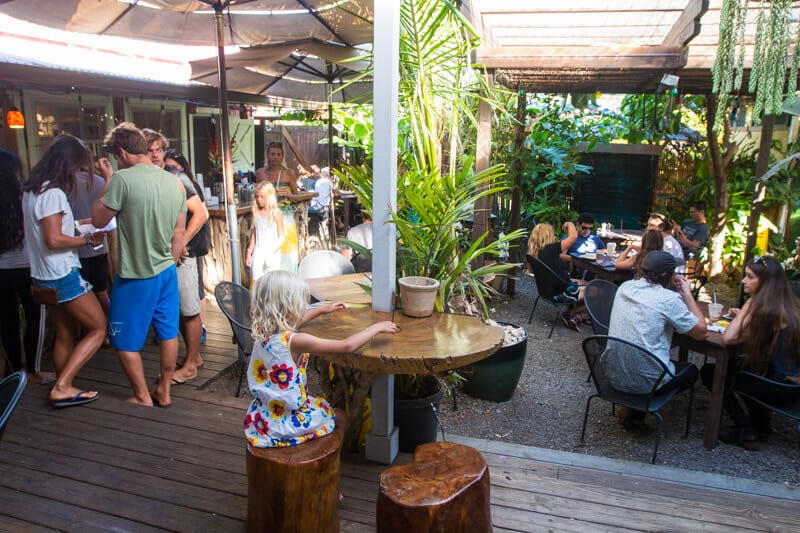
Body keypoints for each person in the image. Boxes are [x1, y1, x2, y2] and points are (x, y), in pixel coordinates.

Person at [243, 270, 398, 447]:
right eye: (303, 302)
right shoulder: (296, 341)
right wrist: (376, 328)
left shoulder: (265, 334)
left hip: (265, 416)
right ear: (289, 307)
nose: (306, 306)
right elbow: (347, 346)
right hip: (287, 422)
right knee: (340, 416)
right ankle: (332, 456)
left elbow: (293, 325)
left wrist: (320, 311)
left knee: (327, 408)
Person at [91, 123, 187, 408]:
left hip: (136, 274)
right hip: (167, 270)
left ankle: (142, 395)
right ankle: (164, 391)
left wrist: (109, 177)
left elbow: (97, 219)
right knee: (168, 333)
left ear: (121, 152)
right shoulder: (175, 182)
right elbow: (178, 234)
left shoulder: (122, 179)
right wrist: (168, 259)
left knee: (121, 338)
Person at [22, 135, 107, 408]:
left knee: (65, 332)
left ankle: (64, 383)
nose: (78, 174)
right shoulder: (53, 194)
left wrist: (80, 225)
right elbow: (54, 239)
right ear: (68, 164)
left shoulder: (32, 190)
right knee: (97, 328)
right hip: (61, 274)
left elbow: (48, 230)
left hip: (41, 275)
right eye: (78, 168)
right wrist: (88, 240)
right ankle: (62, 386)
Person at [700, 256, 800, 449]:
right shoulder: (787, 304)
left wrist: (748, 306)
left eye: (750, 277)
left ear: (765, 283)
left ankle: (745, 428)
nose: (744, 281)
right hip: (788, 384)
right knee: (742, 368)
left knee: (712, 373)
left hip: (781, 387)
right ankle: (761, 425)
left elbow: (729, 338)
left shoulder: (761, 307)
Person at [603, 252, 705, 413]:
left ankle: (632, 410)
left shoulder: (625, 287)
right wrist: (687, 293)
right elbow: (701, 333)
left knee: (647, 352)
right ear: (668, 275)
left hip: (613, 376)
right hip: (647, 384)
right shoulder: (669, 300)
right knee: (691, 371)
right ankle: (639, 410)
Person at [154, 145, 210, 385]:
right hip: (168, 253)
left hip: (185, 253)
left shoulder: (176, 176)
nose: (154, 154)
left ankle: (189, 366)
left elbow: (201, 213)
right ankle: (193, 357)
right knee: (176, 309)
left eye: (157, 149)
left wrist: (181, 242)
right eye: (149, 150)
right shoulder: (156, 178)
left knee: (189, 309)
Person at [0, 149, 48, 383]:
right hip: (28, 266)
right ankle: (33, 370)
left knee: (7, 321)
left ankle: (13, 371)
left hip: (1, 270)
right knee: (35, 317)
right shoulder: (26, 196)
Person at [164, 148, 211, 346]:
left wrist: (182, 242)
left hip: (192, 245)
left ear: (181, 166)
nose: (170, 170)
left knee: (195, 291)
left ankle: (200, 330)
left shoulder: (185, 183)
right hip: (179, 245)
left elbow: (203, 214)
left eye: (173, 166)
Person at [70, 170, 111, 337]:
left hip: (74, 249)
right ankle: (110, 331)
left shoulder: (63, 185)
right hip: (99, 246)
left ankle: (90, 331)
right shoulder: (100, 181)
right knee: (101, 291)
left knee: (82, 294)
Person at [527, 222, 585, 331]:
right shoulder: (551, 249)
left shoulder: (533, 253)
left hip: (547, 290)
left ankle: (575, 312)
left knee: (585, 282)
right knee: (598, 292)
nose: (555, 237)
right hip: (561, 293)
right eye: (553, 234)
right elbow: (573, 237)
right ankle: (572, 314)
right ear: (547, 236)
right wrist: (570, 224)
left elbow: (531, 271)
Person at [255, 141, 300, 271]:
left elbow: (297, 197)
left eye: (279, 154)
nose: (275, 157)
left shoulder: (288, 173)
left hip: (285, 213)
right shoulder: (260, 173)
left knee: (287, 250)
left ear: (282, 156)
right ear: (267, 155)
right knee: (268, 247)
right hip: (266, 215)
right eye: (273, 154)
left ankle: (288, 280)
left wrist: (288, 194)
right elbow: (257, 193)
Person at [246, 181, 284, 283]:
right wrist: (249, 252)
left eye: (262, 197)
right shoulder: (256, 212)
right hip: (259, 251)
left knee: (272, 283)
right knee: (258, 282)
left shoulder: (276, 213)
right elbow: (254, 234)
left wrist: (271, 252)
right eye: (257, 197)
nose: (259, 200)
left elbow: (281, 237)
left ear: (269, 196)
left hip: (272, 253)